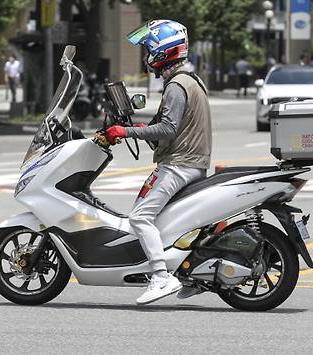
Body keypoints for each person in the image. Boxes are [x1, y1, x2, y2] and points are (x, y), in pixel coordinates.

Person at [106, 19, 212, 304]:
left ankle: (161, 277)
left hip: (179, 164)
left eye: (147, 49)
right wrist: (139, 128)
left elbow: (168, 129)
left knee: (140, 217)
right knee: (167, 220)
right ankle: (189, 274)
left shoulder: (176, 85)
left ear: (161, 51)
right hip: (192, 161)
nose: (145, 57)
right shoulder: (191, 79)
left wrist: (125, 131)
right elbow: (169, 127)